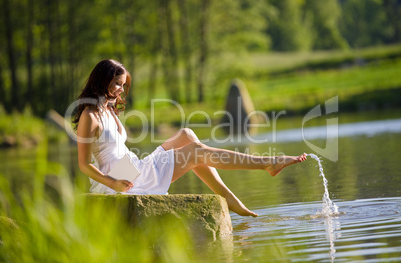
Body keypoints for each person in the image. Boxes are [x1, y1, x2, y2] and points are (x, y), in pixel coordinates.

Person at [74, 59, 307, 217]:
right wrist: (113, 183)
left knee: (187, 135)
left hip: (131, 166)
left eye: (123, 85)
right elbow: (84, 165)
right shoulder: (89, 115)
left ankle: (227, 196)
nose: (121, 90)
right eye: (117, 84)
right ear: (102, 80)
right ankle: (267, 164)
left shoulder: (110, 110)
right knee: (196, 152)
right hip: (118, 177)